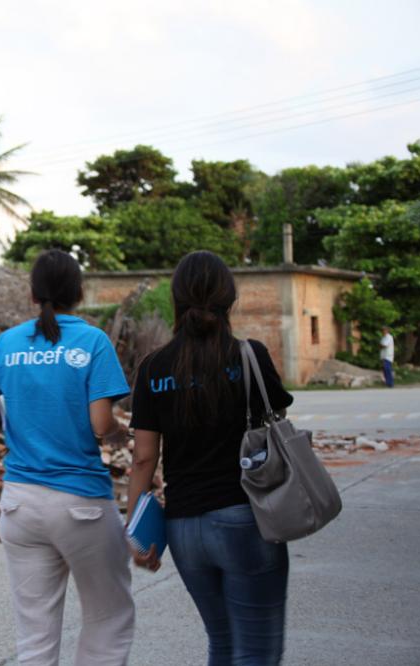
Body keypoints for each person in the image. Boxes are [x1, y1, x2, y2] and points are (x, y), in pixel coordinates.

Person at [127, 251, 294, 666]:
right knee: (256, 653)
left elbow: (144, 461)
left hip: (184, 529)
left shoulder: (152, 368)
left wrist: (136, 534)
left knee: (221, 644)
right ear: (229, 299)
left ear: (177, 299)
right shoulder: (248, 355)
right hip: (246, 519)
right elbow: (277, 419)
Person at [0, 249, 135, 666]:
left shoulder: (8, 343)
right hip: (82, 505)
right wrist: (120, 433)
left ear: (32, 294)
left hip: (20, 503)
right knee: (108, 616)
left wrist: (15, 429)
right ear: (79, 292)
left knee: (35, 635)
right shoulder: (93, 341)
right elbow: (101, 424)